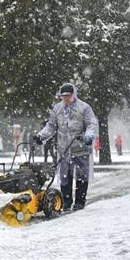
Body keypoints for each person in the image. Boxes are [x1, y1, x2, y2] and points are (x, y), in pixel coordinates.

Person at [33, 83, 98, 211]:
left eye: (68, 96)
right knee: (64, 177)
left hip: (80, 148)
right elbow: (51, 126)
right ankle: (67, 201)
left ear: (74, 94)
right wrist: (41, 136)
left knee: (81, 177)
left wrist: (88, 136)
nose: (66, 99)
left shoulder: (84, 108)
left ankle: (80, 202)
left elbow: (91, 124)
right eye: (63, 97)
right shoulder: (57, 109)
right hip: (64, 149)